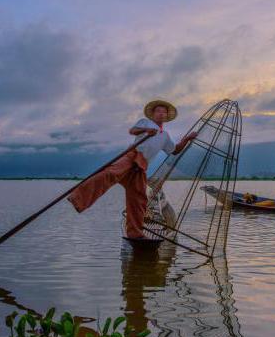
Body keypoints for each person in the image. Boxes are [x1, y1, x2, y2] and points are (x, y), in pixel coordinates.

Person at [67, 99, 198, 239]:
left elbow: (175, 150)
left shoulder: (165, 136)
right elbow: (133, 130)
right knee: (110, 173)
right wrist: (146, 130)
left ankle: (135, 233)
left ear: (166, 116)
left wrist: (188, 139)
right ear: (153, 114)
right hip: (132, 156)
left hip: (141, 166)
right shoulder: (145, 122)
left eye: (164, 112)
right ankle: (78, 198)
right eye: (158, 111)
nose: (161, 114)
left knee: (139, 198)